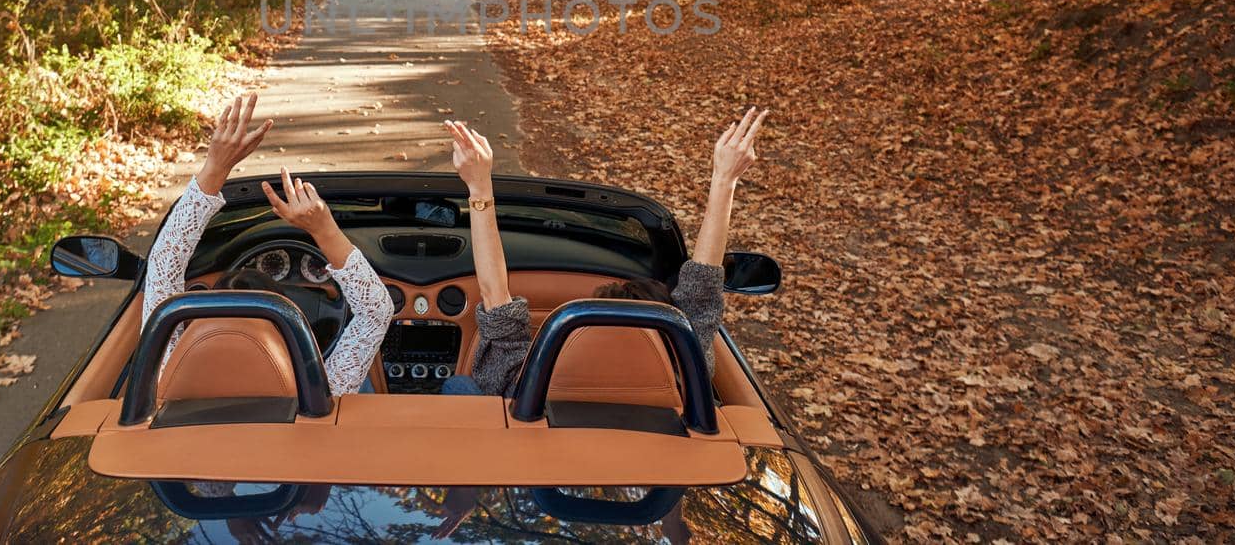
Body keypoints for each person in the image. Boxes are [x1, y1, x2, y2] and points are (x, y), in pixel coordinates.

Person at [445, 105, 769, 397]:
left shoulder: (519, 383)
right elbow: (702, 287)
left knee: (458, 386)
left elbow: (493, 292)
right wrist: (724, 178)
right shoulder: (686, 372)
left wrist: (479, 187)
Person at [142, 92, 394, 396]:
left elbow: (163, 263)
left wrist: (215, 167)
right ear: (288, 336)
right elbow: (375, 311)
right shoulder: (321, 395)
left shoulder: (165, 381)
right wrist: (323, 228)